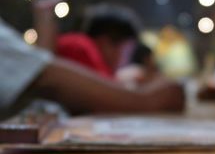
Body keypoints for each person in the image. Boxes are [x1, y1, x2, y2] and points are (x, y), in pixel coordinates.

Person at [0, 17, 184, 119]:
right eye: (125, 50)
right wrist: (147, 99)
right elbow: (44, 75)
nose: (124, 58)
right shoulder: (79, 45)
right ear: (106, 43)